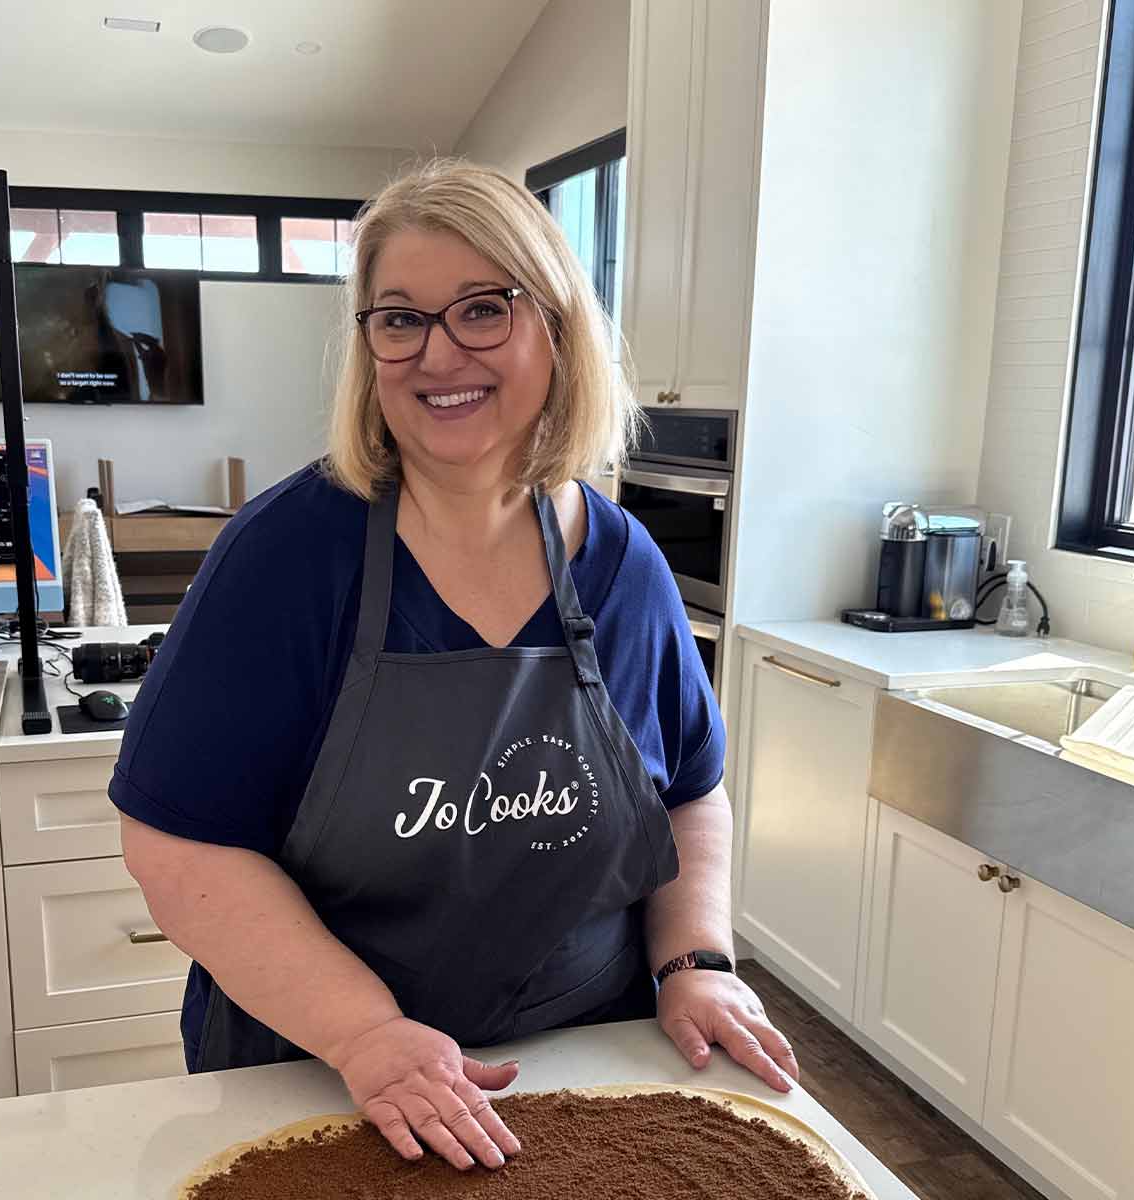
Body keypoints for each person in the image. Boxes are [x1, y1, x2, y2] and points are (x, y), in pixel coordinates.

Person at [113, 159, 798, 1173]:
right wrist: (366, 1036)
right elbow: (180, 847)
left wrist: (693, 963)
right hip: (325, 1082)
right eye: (399, 319)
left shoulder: (621, 566)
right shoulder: (285, 561)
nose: (438, 354)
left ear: (557, 328)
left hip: (583, 1072)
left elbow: (689, 794)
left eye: (483, 310)